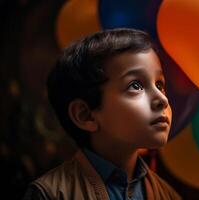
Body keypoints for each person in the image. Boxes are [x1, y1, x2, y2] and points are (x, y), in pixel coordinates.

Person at [23, 28, 181, 200]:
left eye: (159, 85)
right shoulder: (49, 194)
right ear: (85, 115)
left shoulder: (168, 195)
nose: (162, 99)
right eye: (135, 85)